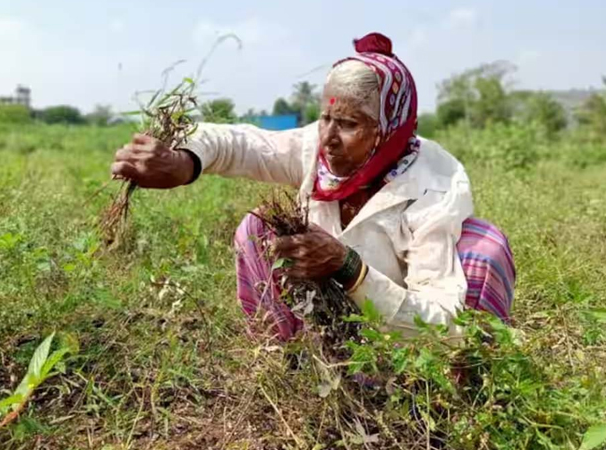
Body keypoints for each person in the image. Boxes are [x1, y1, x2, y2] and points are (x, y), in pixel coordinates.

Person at [111, 32, 515, 340]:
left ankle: (460, 392)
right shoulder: (319, 150)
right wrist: (184, 162)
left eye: (351, 124)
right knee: (258, 228)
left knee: (483, 247)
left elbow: (442, 322)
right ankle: (291, 361)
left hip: (409, 346)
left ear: (389, 128)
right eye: (326, 118)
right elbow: (238, 143)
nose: (328, 138)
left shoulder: (433, 186)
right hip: (332, 329)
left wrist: (349, 268)